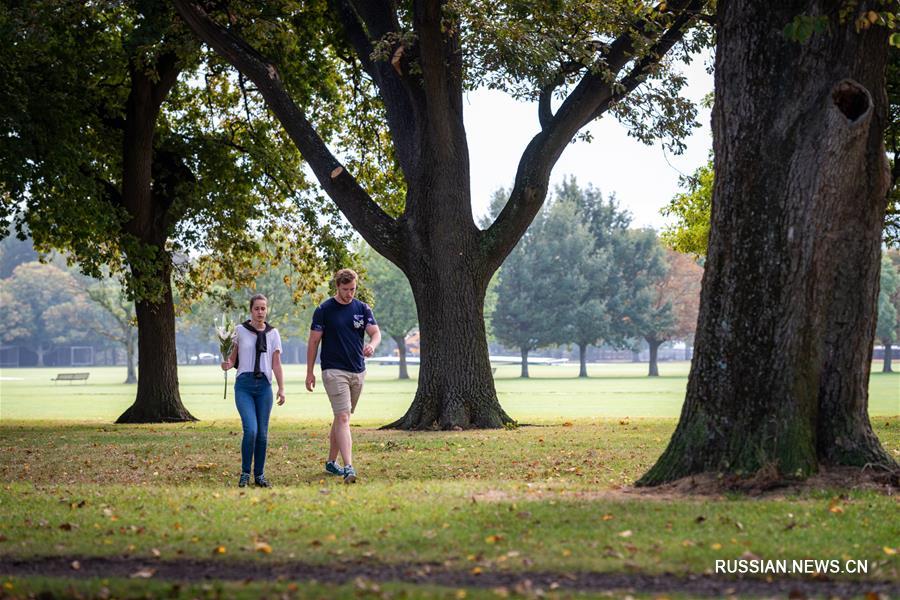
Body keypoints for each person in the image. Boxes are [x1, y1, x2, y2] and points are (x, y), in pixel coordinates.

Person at [306, 268, 380, 483]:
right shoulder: (324, 310)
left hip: (358, 370)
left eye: (353, 289)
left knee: (342, 418)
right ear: (337, 287)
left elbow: (375, 332)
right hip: (333, 369)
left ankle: (331, 462)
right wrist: (309, 371)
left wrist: (372, 345)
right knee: (343, 417)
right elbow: (313, 342)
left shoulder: (362, 308)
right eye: (346, 289)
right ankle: (349, 467)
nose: (350, 294)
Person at [221, 294, 285, 487]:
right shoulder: (239, 331)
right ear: (251, 310)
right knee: (251, 430)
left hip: (264, 387)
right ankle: (245, 473)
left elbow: (276, 364)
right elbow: (232, 359)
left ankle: (259, 475)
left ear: (266, 310)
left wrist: (281, 388)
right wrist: (226, 364)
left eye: (263, 308)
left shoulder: (273, 334)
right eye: (256, 308)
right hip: (244, 386)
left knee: (263, 434)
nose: (260, 312)